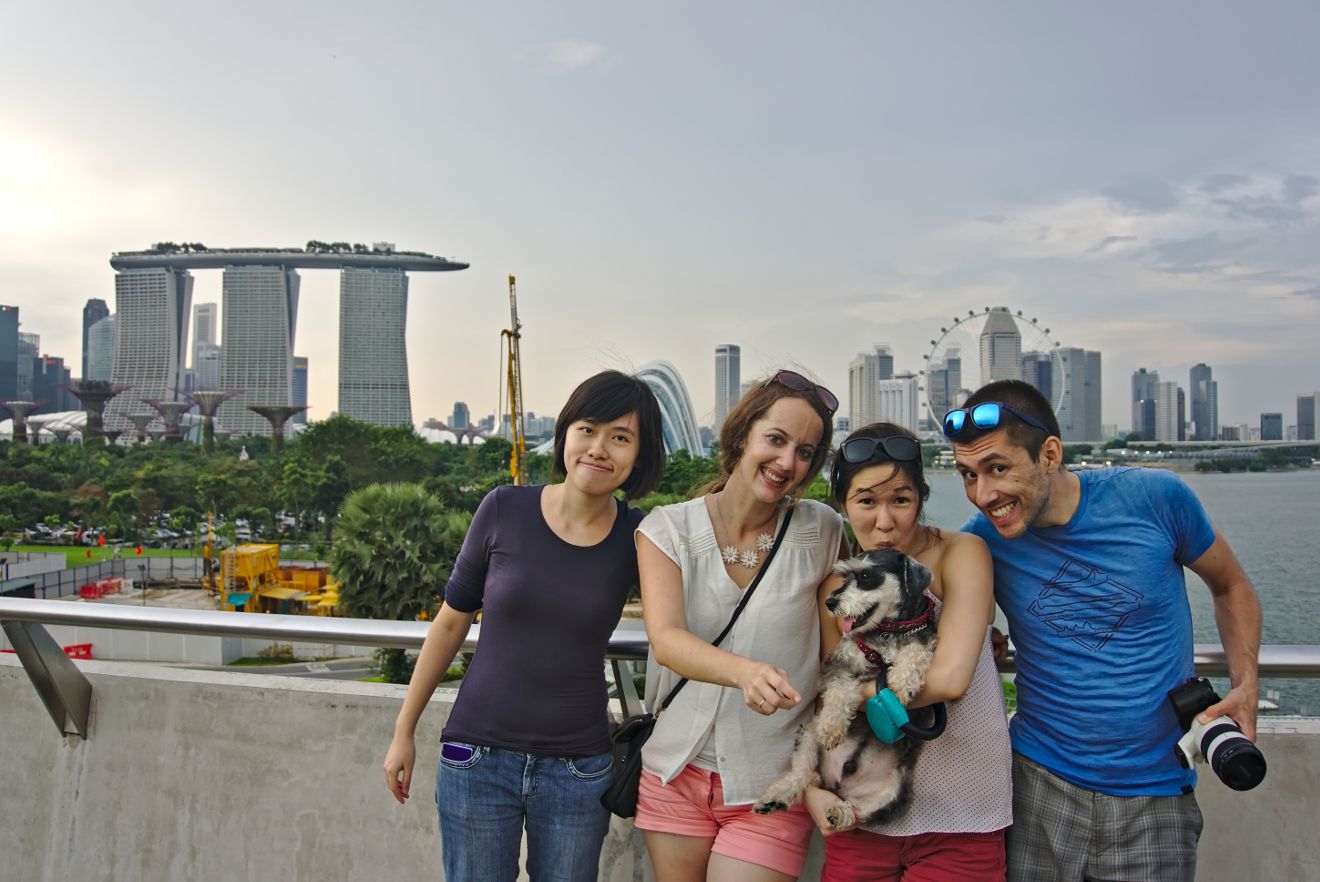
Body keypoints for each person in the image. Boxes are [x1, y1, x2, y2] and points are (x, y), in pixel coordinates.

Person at [946, 379, 1262, 882]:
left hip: (1155, 793)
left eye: (998, 469)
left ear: (1049, 454)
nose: (984, 495)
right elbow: (934, 613)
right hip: (1036, 787)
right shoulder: (980, 544)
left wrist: (1246, 685)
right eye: (968, 474)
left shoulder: (1156, 498)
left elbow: (1232, 587)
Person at [382, 370, 665, 882]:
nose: (599, 449)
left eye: (620, 438)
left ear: (639, 457)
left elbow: (676, 620)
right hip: (477, 760)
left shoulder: (637, 535)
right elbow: (450, 624)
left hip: (578, 770)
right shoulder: (502, 508)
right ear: (565, 434)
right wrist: (404, 731)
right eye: (588, 429)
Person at [635, 370, 846, 882]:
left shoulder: (822, 530)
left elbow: (838, 650)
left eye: (804, 452)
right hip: (673, 773)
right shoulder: (668, 528)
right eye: (775, 440)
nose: (786, 462)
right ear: (742, 436)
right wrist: (744, 673)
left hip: (772, 783)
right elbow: (667, 640)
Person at [804, 421, 1012, 882]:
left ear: (920, 496)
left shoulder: (961, 554)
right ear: (843, 504)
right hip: (860, 815)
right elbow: (824, 701)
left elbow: (949, 680)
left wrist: (853, 695)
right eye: (866, 501)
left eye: (900, 499)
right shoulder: (835, 591)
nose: (884, 521)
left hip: (963, 814)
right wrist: (810, 788)